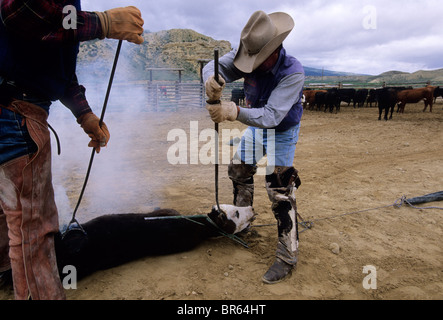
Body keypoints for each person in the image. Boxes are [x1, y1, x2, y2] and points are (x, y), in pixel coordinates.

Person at [0, 0, 144, 300]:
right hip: (13, 111)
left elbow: (57, 69)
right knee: (32, 229)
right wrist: (104, 23)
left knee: (6, 216)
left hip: (11, 106)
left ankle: (7, 275)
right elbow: (22, 12)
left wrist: (85, 115)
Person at [203, 10, 305, 284]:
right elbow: (212, 67)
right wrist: (210, 82)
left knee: (280, 188)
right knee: (238, 169)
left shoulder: (292, 73)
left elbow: (272, 116)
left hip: (281, 130)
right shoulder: (247, 53)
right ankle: (242, 220)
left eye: (257, 61)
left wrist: (232, 110)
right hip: (257, 127)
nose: (250, 65)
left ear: (273, 52)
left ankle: (287, 255)